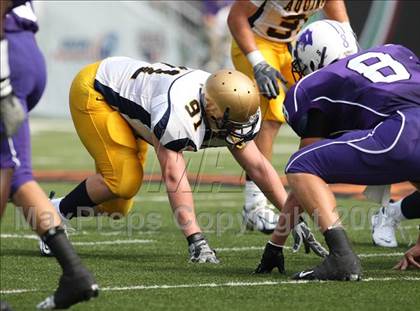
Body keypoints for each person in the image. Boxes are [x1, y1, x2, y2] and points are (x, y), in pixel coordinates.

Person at [38, 56, 327, 263]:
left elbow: (259, 167)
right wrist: (196, 241)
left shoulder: (226, 105)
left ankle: (54, 207)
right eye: (230, 124)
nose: (236, 132)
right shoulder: (179, 111)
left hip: (135, 110)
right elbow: (175, 179)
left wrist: (294, 219)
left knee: (117, 206)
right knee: (122, 181)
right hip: (97, 91)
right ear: (211, 109)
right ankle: (53, 215)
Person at [254, 19, 420, 280]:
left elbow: (304, 175)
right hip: (409, 126)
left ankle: (342, 257)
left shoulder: (319, 84)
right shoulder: (395, 51)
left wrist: (276, 242)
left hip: (402, 133)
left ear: (315, 55)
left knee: (300, 165)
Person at [227, 0, 358, 233]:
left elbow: (342, 27)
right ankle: (255, 205)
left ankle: (307, 179)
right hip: (257, 43)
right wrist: (257, 63)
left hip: (292, 46)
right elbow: (236, 18)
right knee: (270, 112)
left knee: (324, 105)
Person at [0, 1, 98, 309]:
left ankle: (75, 272)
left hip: (6, 52)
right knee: (17, 175)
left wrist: (2, 79)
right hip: (20, 50)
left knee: (6, 168)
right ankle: (75, 273)